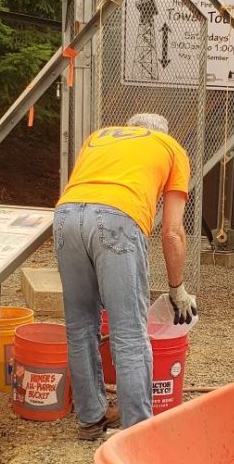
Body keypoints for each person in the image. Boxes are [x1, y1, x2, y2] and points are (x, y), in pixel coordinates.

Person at [54, 113, 198, 440]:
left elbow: (87, 195)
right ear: (161, 132)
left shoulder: (98, 137)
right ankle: (137, 434)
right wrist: (177, 289)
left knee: (79, 326)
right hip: (117, 217)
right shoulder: (171, 147)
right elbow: (173, 232)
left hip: (65, 217)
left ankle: (91, 419)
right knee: (129, 332)